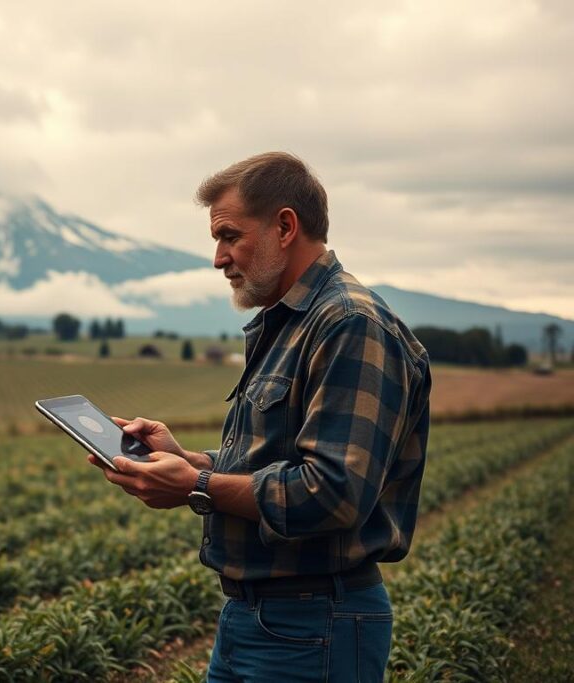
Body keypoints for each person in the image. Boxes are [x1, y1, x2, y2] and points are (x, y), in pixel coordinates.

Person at [89, 152, 432, 682]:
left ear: (286, 226)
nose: (219, 258)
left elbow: (333, 492)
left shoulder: (349, 325)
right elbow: (278, 460)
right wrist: (186, 459)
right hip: (255, 619)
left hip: (314, 624)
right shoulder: (289, 322)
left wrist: (196, 485)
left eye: (229, 236)